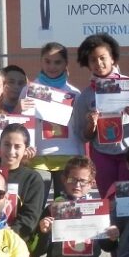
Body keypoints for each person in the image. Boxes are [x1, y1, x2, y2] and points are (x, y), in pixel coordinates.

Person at [70, 33, 129, 197]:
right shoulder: (85, 96)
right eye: (93, 60)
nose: (99, 63)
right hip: (102, 155)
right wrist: (91, 125)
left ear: (113, 59)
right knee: (109, 201)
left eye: (102, 58)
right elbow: (82, 135)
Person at [21, 42, 84, 201]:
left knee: (64, 205)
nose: (52, 66)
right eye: (47, 61)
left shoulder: (74, 93)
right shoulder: (29, 90)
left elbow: (80, 128)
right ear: (41, 61)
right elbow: (21, 123)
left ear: (65, 64)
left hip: (68, 156)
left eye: (57, 62)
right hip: (38, 156)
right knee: (35, 202)